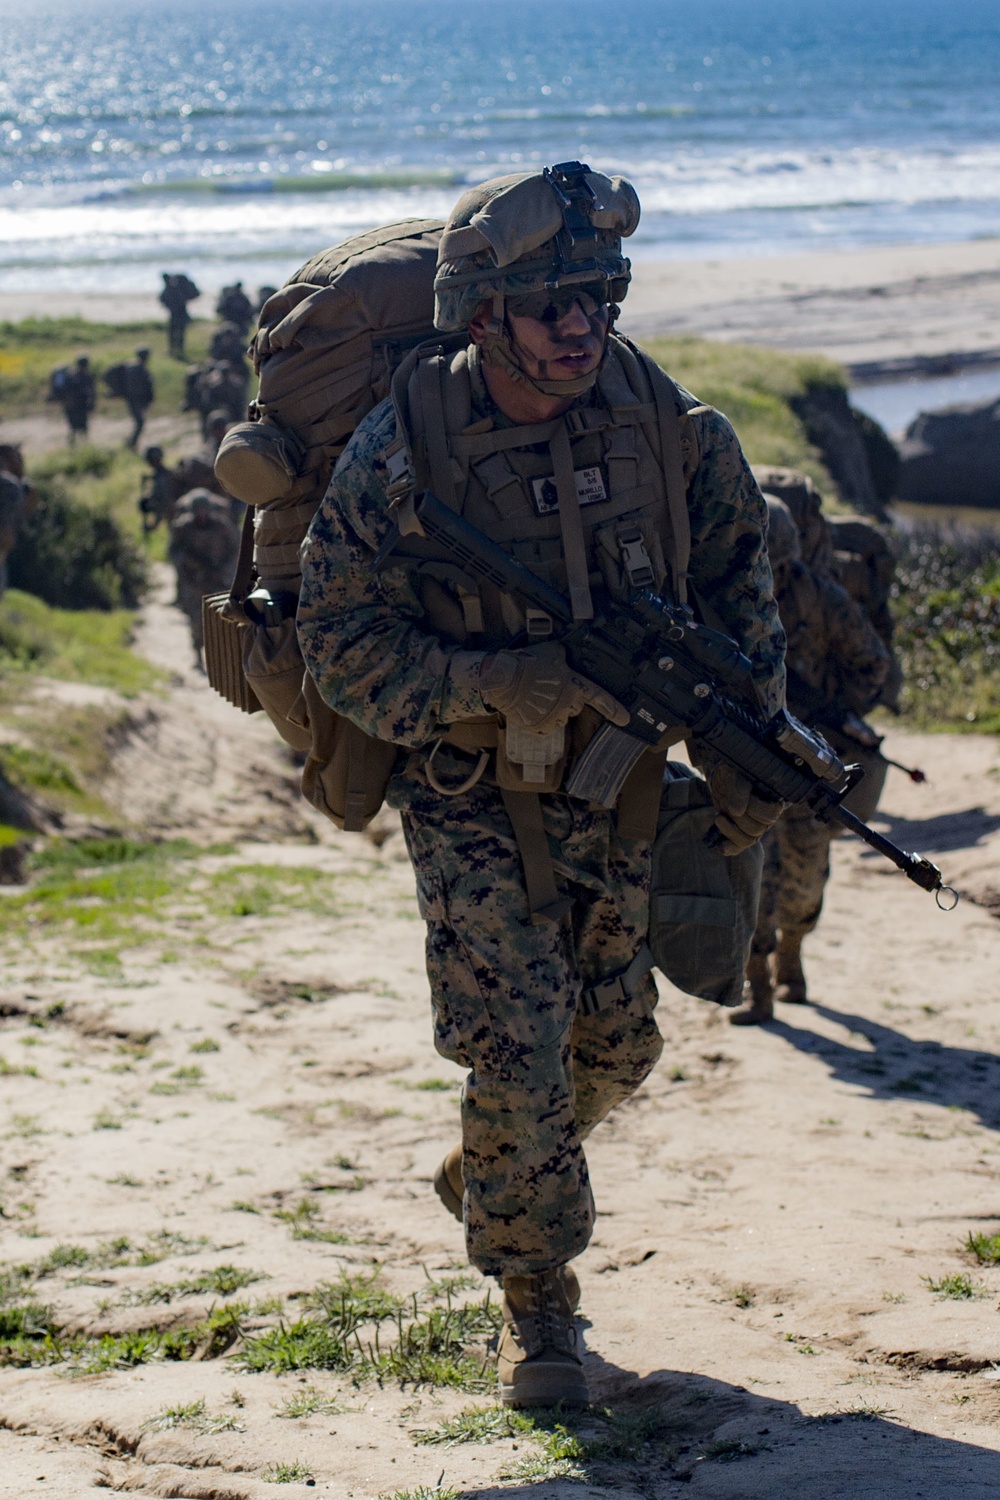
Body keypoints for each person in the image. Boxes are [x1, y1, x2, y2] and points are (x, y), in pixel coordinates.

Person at [297, 162, 786, 1408]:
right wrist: (486, 684)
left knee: (615, 1050)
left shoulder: (665, 424)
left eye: (600, 295)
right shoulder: (404, 449)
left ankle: (499, 1169)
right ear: (482, 314)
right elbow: (339, 643)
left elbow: (740, 581)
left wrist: (749, 746)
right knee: (514, 1051)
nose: (582, 326)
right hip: (468, 792)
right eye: (553, 303)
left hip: (615, 787)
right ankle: (540, 1308)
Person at [730, 498, 890, 1026]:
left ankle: (792, 953)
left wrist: (834, 714)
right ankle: (757, 983)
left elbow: (872, 663)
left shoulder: (823, 600)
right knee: (752, 874)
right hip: (748, 759)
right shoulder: (728, 599)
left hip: (813, 763)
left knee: (804, 874)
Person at [167, 489, 241, 663]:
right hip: (195, 582)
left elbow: (236, 551)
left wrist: (225, 571)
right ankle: (198, 653)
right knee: (196, 618)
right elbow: (173, 552)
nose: (202, 514)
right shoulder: (182, 528)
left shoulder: (223, 527)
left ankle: (223, 657)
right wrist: (187, 563)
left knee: (224, 619)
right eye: (198, 511)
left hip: (219, 580)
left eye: (204, 510)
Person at [48, 355, 95, 445]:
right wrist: (91, 404)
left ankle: (75, 446)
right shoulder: (84, 376)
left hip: (70, 405)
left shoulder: (70, 375)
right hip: (80, 405)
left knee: (73, 427)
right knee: (81, 427)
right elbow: (90, 392)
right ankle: (84, 446)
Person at [119, 347, 155, 449]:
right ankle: (131, 443)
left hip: (134, 399)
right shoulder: (138, 368)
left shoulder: (133, 367)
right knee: (140, 422)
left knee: (139, 422)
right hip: (135, 399)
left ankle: (131, 443)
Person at [160, 273, 200, 360]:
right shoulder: (173, 287)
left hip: (178, 314)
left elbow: (168, 300)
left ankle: (177, 349)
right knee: (175, 332)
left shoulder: (174, 288)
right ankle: (175, 349)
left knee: (177, 332)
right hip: (177, 314)